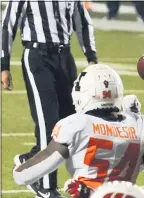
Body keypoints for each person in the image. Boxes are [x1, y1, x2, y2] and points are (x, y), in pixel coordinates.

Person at [2, 1, 98, 197]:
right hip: (37, 57)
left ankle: (28, 160)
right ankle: (46, 187)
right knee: (48, 123)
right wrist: (4, 65)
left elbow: (83, 22)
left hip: (65, 56)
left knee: (74, 124)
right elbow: (8, 24)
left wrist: (91, 57)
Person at [13, 64, 144, 198]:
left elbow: (23, 176)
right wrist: (133, 113)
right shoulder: (138, 124)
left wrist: (19, 168)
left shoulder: (77, 124)